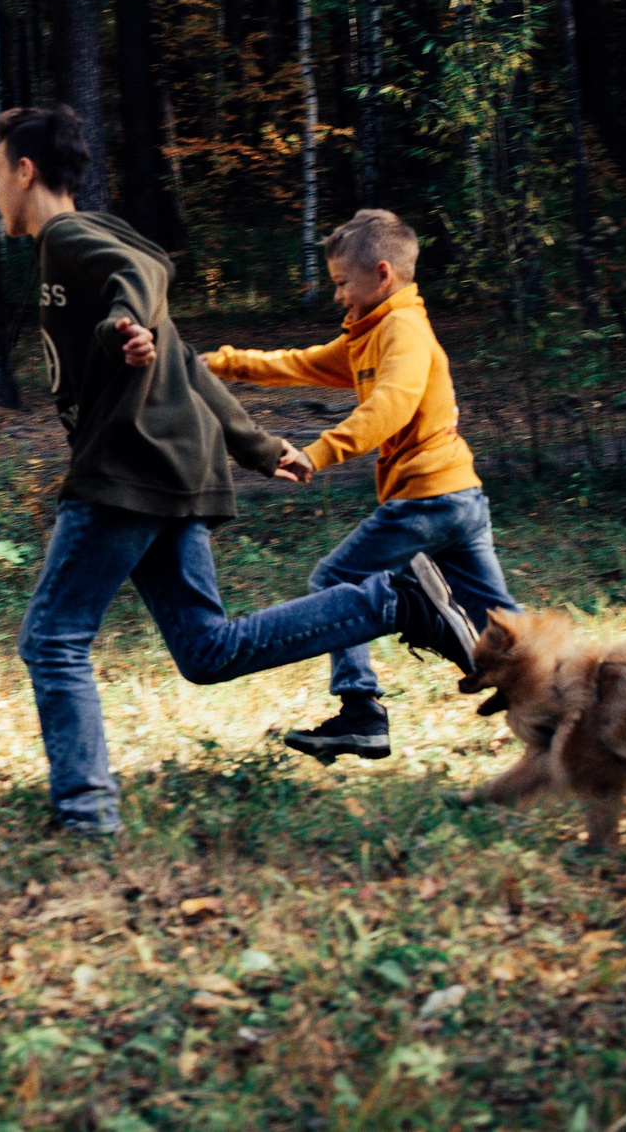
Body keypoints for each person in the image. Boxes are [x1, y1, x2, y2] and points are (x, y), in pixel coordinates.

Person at [0, 107, 482, 836]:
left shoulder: (67, 237)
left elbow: (140, 275)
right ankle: (393, 601)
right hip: (176, 466)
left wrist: (122, 321)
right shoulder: (87, 242)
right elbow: (185, 359)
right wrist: (258, 446)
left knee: (52, 639)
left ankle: (85, 815)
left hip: (128, 467)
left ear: (25, 171)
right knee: (207, 649)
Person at [127, 207, 517, 764]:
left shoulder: (403, 330)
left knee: (337, 578)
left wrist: (318, 452)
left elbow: (391, 406)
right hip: (457, 497)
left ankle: (361, 710)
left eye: (342, 283)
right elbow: (301, 363)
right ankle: (562, 690)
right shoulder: (370, 331)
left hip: (427, 497)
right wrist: (221, 365)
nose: (337, 296)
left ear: (382, 274)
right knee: (500, 616)